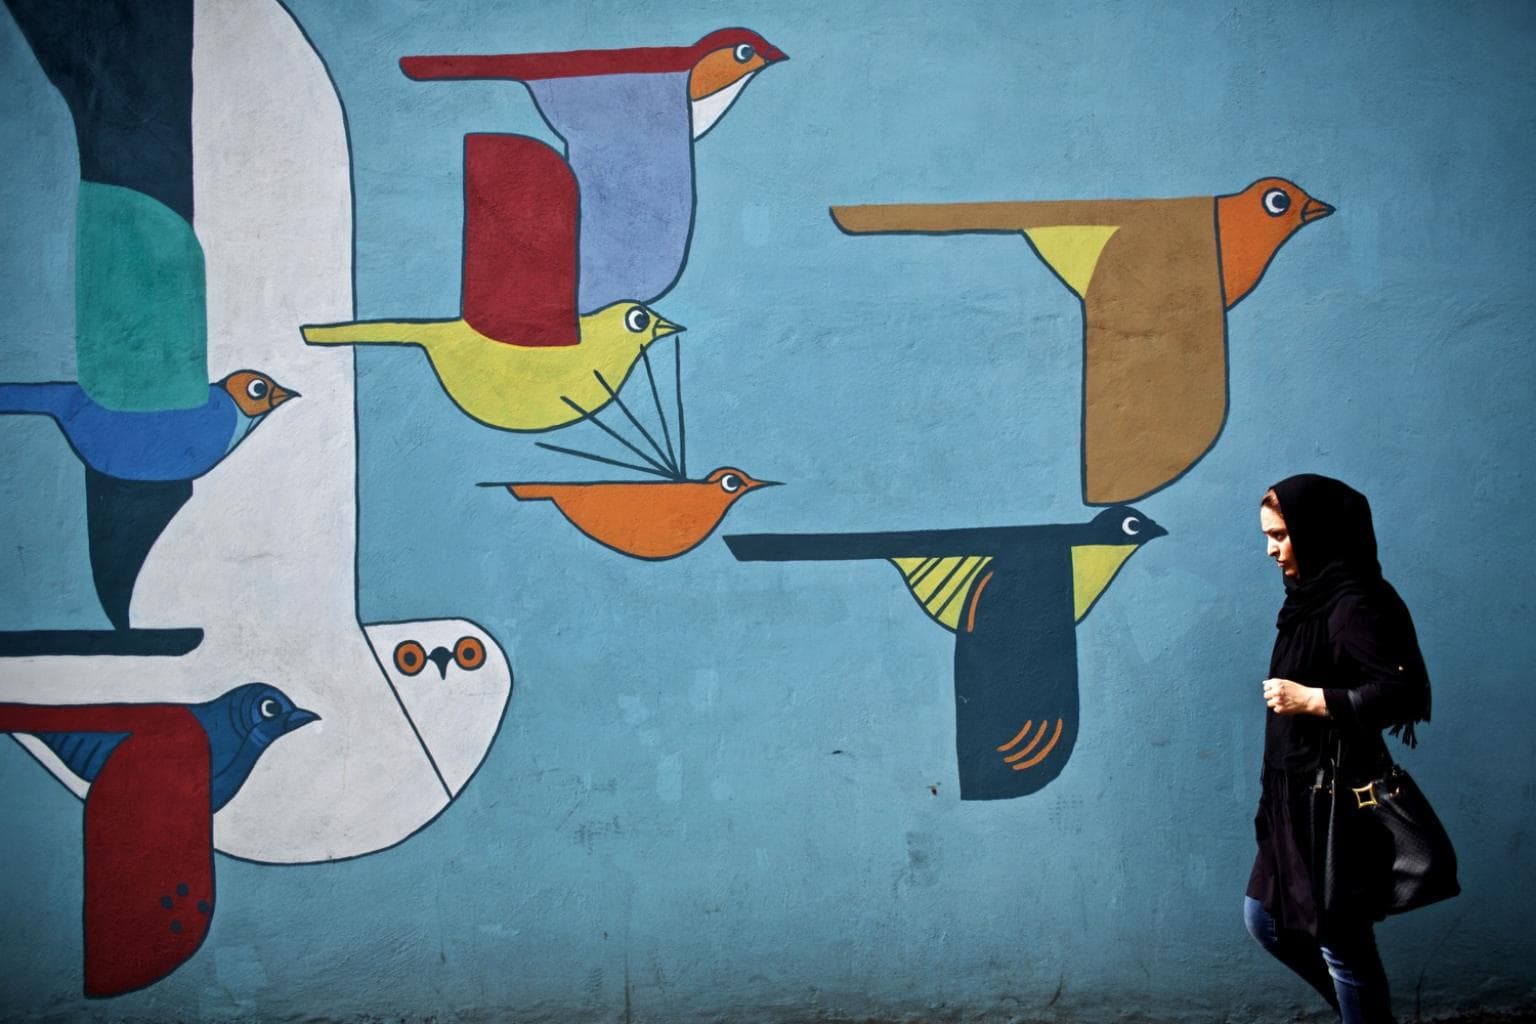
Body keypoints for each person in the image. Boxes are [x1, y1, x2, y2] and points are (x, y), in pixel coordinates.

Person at [1243, 474, 1431, 1024]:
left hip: (1334, 803)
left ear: (1316, 531)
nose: (1271, 550)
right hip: (1292, 796)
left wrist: (1314, 700)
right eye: (1267, 536)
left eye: (1280, 535)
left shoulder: (1356, 603)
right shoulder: (1307, 599)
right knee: (1268, 920)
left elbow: (1405, 692)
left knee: (1340, 945)